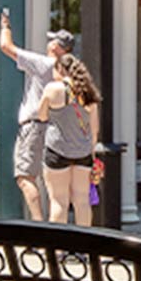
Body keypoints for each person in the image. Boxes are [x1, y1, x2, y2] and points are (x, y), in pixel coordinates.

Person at [0, 11, 73, 221]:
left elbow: (6, 47)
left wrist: (5, 25)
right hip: (59, 128)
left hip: (35, 126)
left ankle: (39, 225)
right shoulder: (71, 70)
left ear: (57, 47)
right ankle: (57, 230)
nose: (47, 44)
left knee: (25, 177)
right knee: (54, 183)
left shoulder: (43, 63)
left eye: (51, 42)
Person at [40, 55, 103, 225]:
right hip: (82, 152)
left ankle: (58, 248)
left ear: (60, 69)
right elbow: (94, 130)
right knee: (82, 200)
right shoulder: (88, 92)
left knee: (59, 200)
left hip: (57, 150)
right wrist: (92, 155)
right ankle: (83, 247)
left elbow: (42, 115)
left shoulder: (52, 89)